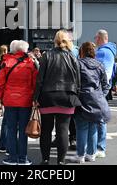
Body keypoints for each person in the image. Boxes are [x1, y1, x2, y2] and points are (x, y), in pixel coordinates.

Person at [34, 30, 81, 165]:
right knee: (63, 130)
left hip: (47, 97)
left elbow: (39, 80)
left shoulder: (46, 56)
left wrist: (36, 97)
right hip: (67, 96)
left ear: (55, 40)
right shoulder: (73, 57)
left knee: (46, 130)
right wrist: (76, 95)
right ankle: (60, 161)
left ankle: (45, 159)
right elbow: (78, 80)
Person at [0, 40, 37, 165]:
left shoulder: (6, 62)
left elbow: (0, 82)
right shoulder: (30, 63)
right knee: (24, 130)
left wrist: (0, 97)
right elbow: (35, 83)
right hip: (26, 100)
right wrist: (35, 99)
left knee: (11, 129)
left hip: (10, 99)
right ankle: (23, 158)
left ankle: (12, 158)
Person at [73, 42, 110, 164]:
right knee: (93, 127)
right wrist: (101, 95)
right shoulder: (99, 65)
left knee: (81, 127)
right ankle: (91, 154)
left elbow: (74, 82)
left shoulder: (78, 64)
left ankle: (80, 155)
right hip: (96, 99)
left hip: (82, 99)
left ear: (82, 51)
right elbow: (106, 85)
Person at [94, 29, 116, 158]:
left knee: (99, 118)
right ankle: (98, 146)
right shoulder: (109, 51)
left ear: (101, 38)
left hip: (99, 87)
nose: (95, 40)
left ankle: (100, 147)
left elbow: (103, 73)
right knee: (99, 117)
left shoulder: (102, 52)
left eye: (96, 37)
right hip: (104, 86)